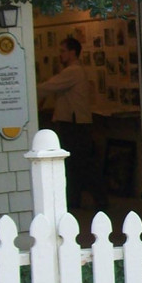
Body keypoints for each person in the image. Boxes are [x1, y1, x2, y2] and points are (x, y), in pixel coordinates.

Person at [36, 37, 104, 209]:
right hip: (73, 122)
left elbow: (50, 86)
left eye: (63, 51)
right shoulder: (72, 71)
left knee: (80, 163)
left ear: (72, 52)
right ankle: (77, 200)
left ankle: (93, 200)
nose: (60, 54)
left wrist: (29, 90)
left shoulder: (73, 71)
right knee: (77, 164)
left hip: (75, 124)